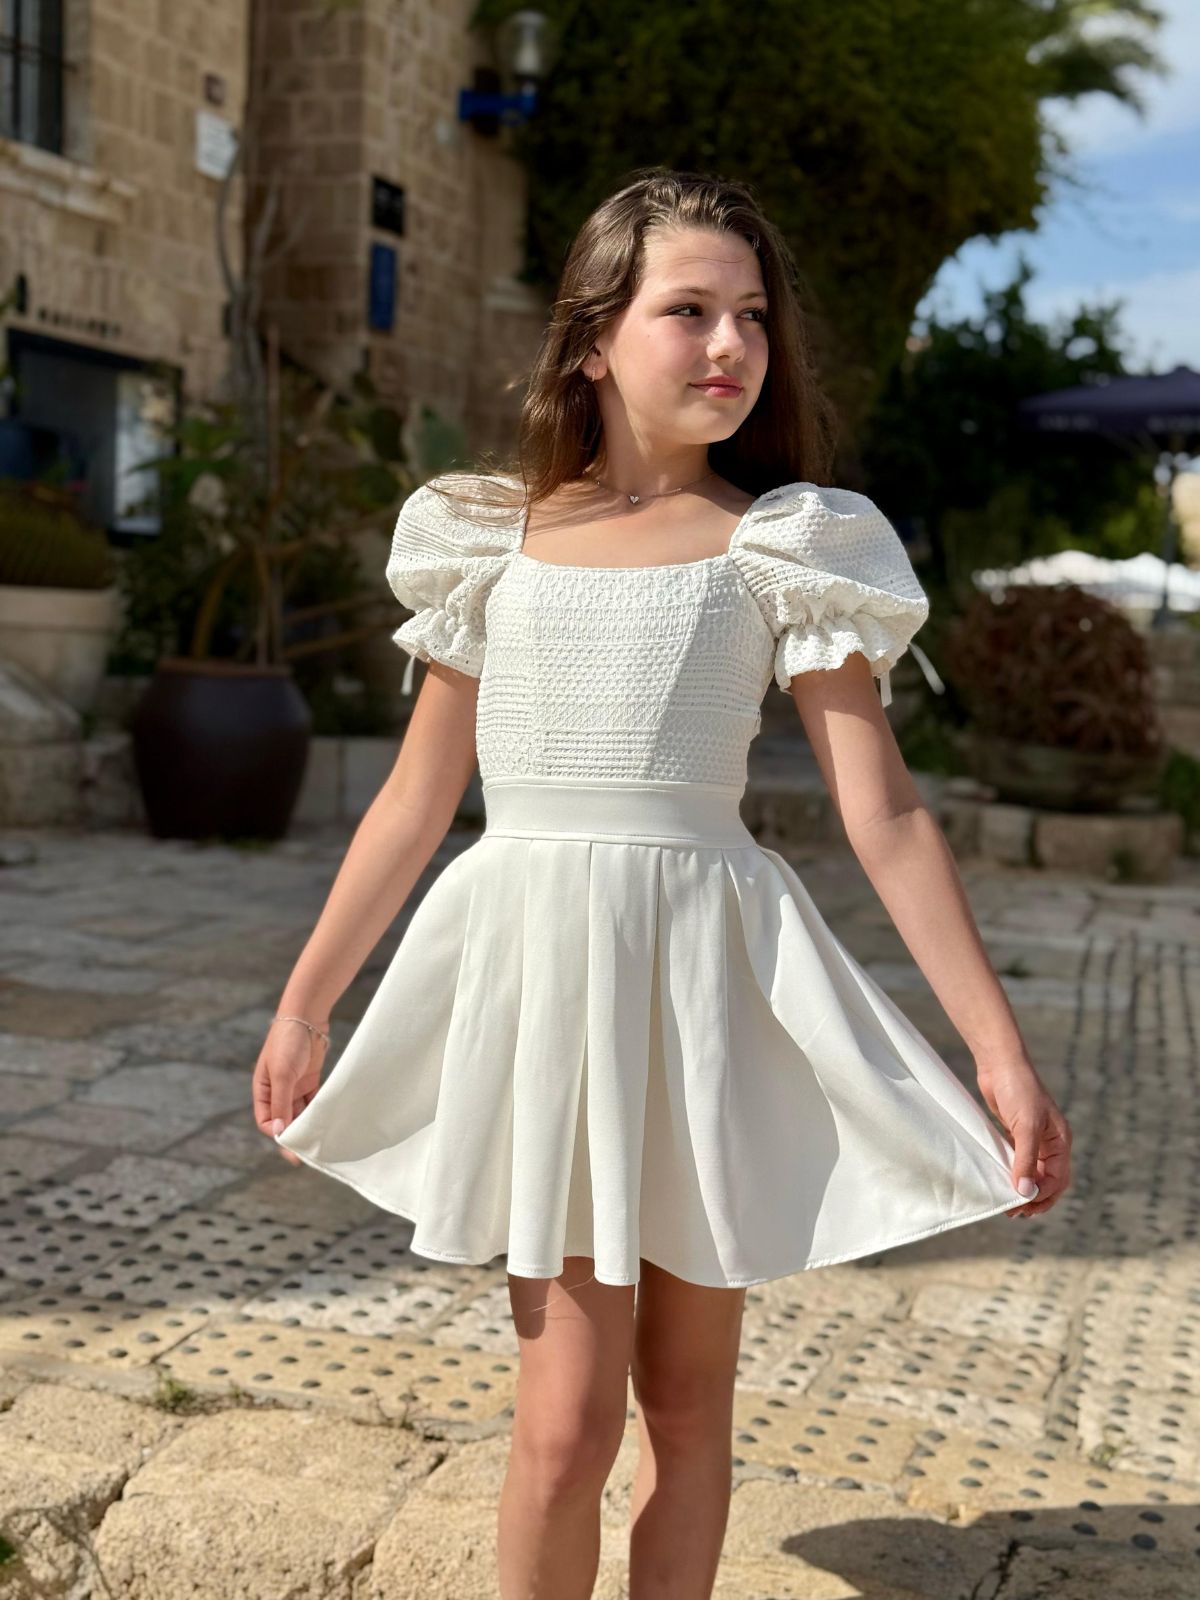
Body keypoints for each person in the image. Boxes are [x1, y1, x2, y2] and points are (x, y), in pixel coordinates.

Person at [252, 167, 1071, 1600]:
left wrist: (996, 1053)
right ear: (591, 339)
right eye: (688, 310)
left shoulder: (786, 547)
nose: (732, 344)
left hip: (702, 997)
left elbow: (883, 813)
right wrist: (307, 1001)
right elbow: (416, 799)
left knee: (689, 1414)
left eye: (752, 315)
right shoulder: (487, 541)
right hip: (549, 996)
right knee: (565, 1427)